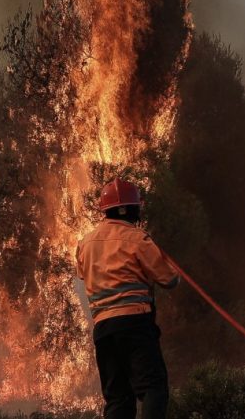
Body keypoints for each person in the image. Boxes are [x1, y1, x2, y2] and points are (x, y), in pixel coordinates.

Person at [76, 178, 180, 419]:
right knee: (153, 388)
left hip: (103, 330)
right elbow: (169, 279)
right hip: (135, 325)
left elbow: (82, 274)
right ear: (130, 209)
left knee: (118, 399)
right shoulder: (138, 239)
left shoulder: (85, 243)